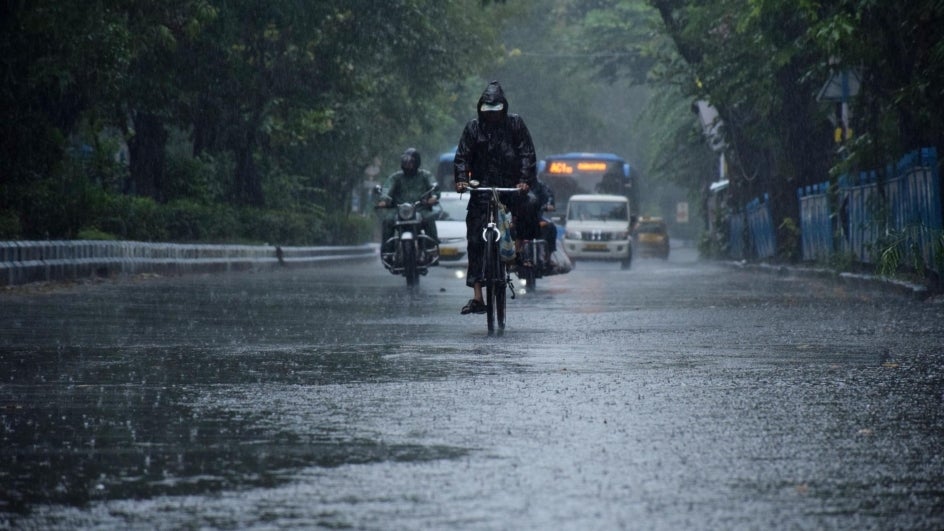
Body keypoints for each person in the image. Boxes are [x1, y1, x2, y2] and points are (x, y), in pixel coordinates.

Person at [454, 80, 537, 315]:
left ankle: (518, 248)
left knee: (530, 204)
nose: (491, 116)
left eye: (496, 111)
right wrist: (461, 179)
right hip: (481, 189)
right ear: (481, 109)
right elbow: (462, 157)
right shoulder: (472, 128)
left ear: (504, 108)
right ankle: (478, 296)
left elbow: (527, 154)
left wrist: (524, 180)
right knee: (474, 237)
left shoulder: (516, 124)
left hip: (510, 186)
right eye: (487, 111)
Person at [377, 148, 440, 252]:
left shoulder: (425, 175)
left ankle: (432, 248)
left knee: (429, 219)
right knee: (387, 220)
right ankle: (388, 251)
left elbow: (433, 186)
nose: (407, 165)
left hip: (420, 208)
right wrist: (384, 199)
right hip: (399, 210)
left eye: (410, 162)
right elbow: (387, 188)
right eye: (405, 162)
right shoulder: (396, 177)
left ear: (417, 163)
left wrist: (433, 197)